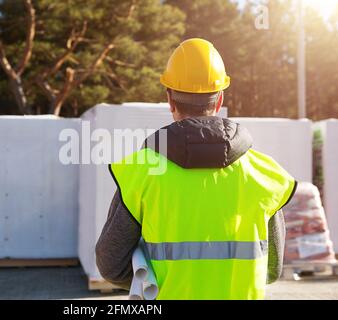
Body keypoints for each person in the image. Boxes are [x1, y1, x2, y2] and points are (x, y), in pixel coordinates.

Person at [95, 38, 297, 300]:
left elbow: (111, 265)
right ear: (219, 98)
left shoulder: (141, 173)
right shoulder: (263, 175)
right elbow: (272, 269)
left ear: (170, 100)